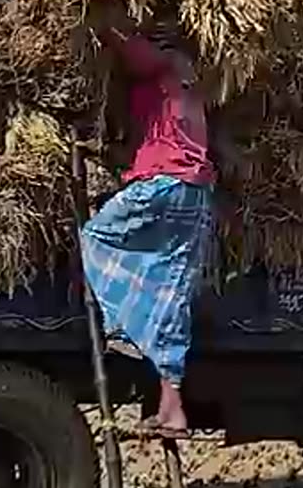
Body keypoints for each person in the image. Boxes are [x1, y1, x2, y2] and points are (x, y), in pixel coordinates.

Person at [79, 22, 216, 439]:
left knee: (96, 237)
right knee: (171, 295)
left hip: (165, 187)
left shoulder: (170, 64)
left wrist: (102, 24)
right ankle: (172, 410)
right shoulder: (189, 84)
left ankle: (120, 327)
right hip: (196, 193)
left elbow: (137, 54)